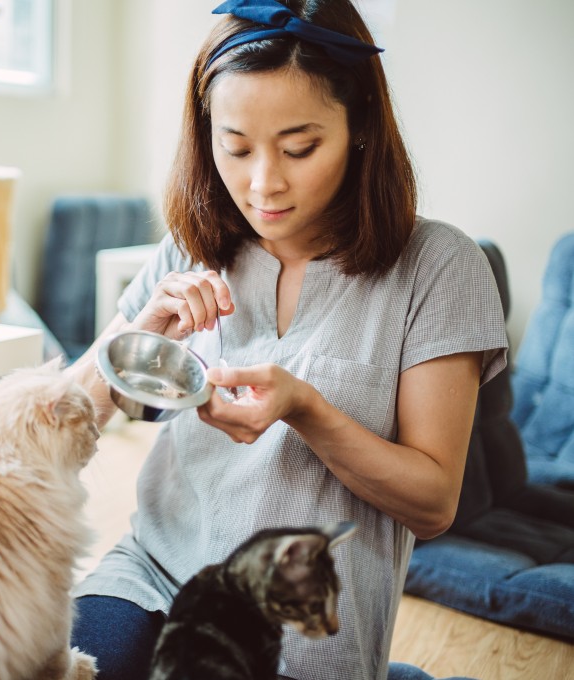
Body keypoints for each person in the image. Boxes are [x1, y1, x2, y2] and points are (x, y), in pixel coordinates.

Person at [65, 1, 507, 679]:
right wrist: (137, 339)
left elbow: (433, 504)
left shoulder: (438, 267)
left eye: (300, 148)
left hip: (296, 625)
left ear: (360, 126)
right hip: (154, 573)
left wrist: (307, 410)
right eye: (236, 146)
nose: (263, 183)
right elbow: (66, 420)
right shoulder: (191, 247)